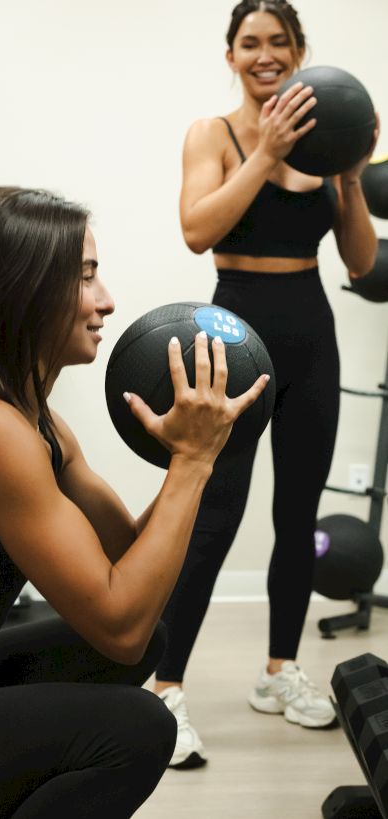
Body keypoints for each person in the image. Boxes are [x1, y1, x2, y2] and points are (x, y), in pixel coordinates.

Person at [0, 187, 267, 818]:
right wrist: (193, 462)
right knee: (137, 727)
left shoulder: (34, 420)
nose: (108, 301)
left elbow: (129, 570)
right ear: (22, 289)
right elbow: (118, 624)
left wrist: (199, 457)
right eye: (86, 277)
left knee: (150, 641)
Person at [153, 0, 380, 769]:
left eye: (278, 42)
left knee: (298, 513)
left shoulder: (326, 144)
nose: (265, 54)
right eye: (250, 43)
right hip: (235, 336)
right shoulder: (210, 136)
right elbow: (197, 229)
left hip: (311, 333)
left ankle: (280, 671)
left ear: (299, 50)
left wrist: (346, 177)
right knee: (212, 514)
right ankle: (167, 687)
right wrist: (265, 149)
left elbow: (357, 261)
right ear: (231, 56)